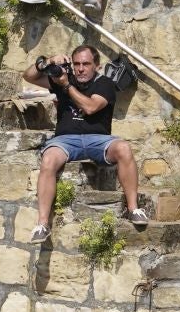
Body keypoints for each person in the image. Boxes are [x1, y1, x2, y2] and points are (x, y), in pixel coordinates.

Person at [25, 45, 149, 242]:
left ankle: (133, 208)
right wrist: (48, 62)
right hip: (66, 140)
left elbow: (90, 107)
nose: (81, 69)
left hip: (98, 140)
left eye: (86, 64)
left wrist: (66, 86)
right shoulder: (64, 78)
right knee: (48, 160)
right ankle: (42, 224)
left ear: (97, 66)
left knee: (124, 148)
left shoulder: (105, 84)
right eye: (76, 64)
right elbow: (29, 76)